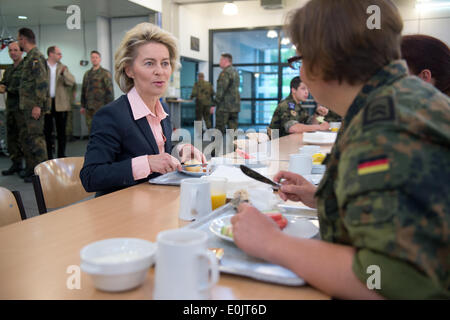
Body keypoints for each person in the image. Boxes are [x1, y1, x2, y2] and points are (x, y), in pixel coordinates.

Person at [231, 0, 450, 299]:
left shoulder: (385, 127)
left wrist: (271, 242)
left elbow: (392, 281)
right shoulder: (401, 100)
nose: (303, 73)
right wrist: (328, 200)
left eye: (301, 59)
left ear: (325, 60)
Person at [80, 23, 205, 197]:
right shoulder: (111, 115)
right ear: (129, 70)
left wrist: (181, 149)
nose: (160, 71)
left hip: (155, 203)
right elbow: (91, 176)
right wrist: (146, 164)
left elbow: (157, 150)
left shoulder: (163, 109)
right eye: (149, 63)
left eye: (165, 63)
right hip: (122, 211)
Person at [17, 28, 50, 182]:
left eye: (19, 39)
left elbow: (42, 83)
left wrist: (37, 105)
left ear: (24, 39)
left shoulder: (36, 57)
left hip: (34, 107)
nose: (18, 42)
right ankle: (33, 170)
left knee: (37, 140)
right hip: (27, 107)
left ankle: (43, 173)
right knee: (29, 139)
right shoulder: (29, 57)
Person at [44, 46, 76, 159]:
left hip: (61, 104)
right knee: (47, 132)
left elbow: (72, 82)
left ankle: (61, 155)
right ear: (51, 54)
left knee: (61, 132)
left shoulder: (63, 67)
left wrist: (64, 74)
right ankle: (48, 156)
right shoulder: (43, 67)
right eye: (58, 53)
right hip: (46, 104)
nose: (60, 56)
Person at [0, 42, 24, 176]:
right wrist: (2, 86)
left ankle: (29, 168)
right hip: (11, 108)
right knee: (12, 138)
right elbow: (4, 83)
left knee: (24, 139)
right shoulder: (9, 69)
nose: (13, 53)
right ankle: (16, 164)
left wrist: (7, 88)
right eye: (10, 50)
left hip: (22, 109)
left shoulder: (25, 68)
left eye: (15, 50)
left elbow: (23, 88)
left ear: (21, 52)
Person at [80, 50, 114, 133]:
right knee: (90, 130)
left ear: (100, 59)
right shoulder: (87, 74)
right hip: (89, 108)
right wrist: (83, 106)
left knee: (102, 130)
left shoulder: (105, 73)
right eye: (92, 57)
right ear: (91, 59)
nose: (94, 59)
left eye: (96, 57)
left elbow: (109, 92)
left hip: (101, 107)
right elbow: (83, 90)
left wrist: (110, 107)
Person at [214, 53, 240, 134]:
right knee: (233, 130)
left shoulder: (225, 73)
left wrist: (214, 103)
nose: (219, 62)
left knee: (219, 130)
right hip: (235, 106)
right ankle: (234, 146)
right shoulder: (235, 72)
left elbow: (221, 90)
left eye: (221, 60)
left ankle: (216, 147)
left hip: (224, 107)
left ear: (225, 60)